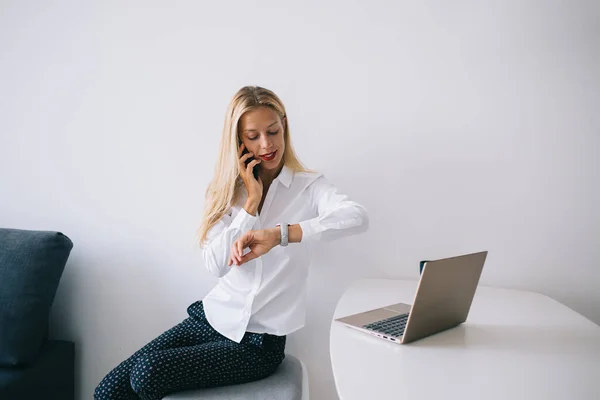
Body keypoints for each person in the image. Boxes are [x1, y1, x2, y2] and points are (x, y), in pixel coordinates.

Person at [94, 86, 369, 400]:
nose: (266, 144)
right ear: (238, 140)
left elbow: (356, 217)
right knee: (107, 392)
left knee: (147, 373)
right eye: (253, 136)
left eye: (272, 131)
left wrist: (281, 234)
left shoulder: (310, 188)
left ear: (284, 126)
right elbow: (216, 265)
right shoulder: (228, 192)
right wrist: (250, 204)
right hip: (210, 318)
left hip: (258, 345)